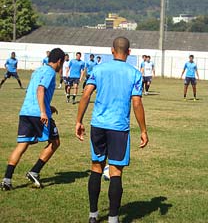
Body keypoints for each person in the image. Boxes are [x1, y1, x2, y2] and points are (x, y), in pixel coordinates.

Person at [76, 37, 148, 223]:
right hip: (119, 128)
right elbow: (137, 102)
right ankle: (113, 219)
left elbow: (85, 94)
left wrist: (79, 121)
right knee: (115, 171)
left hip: (98, 125)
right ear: (129, 52)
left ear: (112, 51)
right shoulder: (134, 73)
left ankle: (93, 216)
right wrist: (143, 130)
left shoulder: (98, 69)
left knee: (96, 168)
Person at [0, 48, 65, 191]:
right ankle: (34, 171)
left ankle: (7, 179)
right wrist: (43, 111)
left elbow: (32, 90)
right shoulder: (49, 72)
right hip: (38, 114)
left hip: (26, 112)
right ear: (60, 61)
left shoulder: (37, 71)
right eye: (63, 62)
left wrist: (49, 106)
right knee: (55, 142)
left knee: (22, 145)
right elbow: (40, 90)